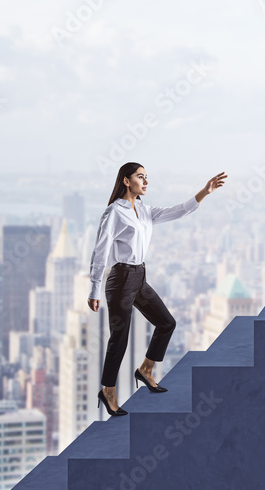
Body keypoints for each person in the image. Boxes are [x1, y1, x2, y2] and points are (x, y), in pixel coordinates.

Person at [87, 162, 227, 416]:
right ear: (126, 181)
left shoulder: (143, 209)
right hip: (120, 279)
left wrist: (205, 191)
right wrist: (94, 289)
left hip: (139, 276)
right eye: (141, 177)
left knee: (166, 323)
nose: (146, 181)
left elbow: (180, 211)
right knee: (119, 339)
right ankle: (108, 391)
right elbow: (100, 251)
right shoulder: (114, 212)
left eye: (146, 177)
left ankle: (145, 369)